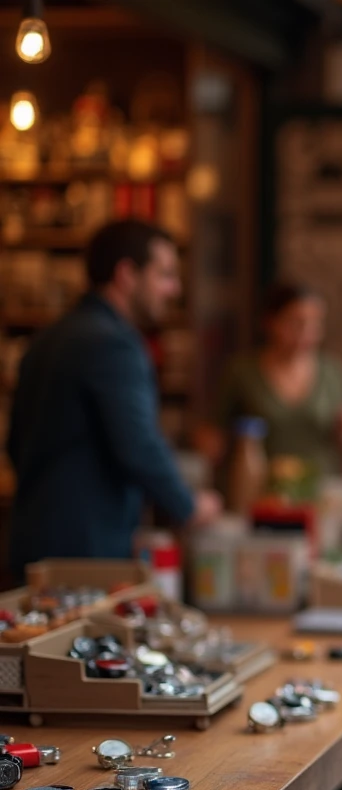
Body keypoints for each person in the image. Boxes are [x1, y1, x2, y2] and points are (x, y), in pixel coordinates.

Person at [5, 220, 221, 580]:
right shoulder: (114, 344)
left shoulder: (45, 340)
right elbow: (139, 446)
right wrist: (189, 506)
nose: (174, 289)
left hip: (30, 542)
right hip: (86, 552)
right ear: (126, 275)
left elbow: (15, 445)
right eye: (165, 275)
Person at [195, 283, 342, 481]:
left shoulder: (332, 371)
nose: (307, 332)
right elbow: (214, 433)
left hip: (319, 483)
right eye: (296, 322)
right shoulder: (242, 372)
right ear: (271, 321)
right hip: (258, 484)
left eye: (315, 324)